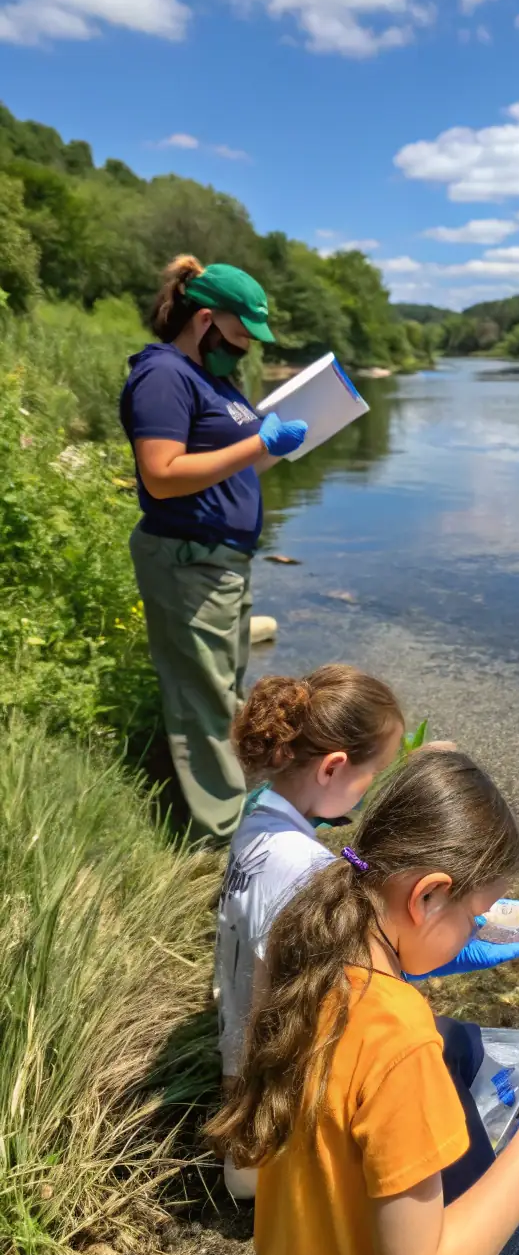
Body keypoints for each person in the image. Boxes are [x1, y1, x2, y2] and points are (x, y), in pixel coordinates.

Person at [208, 749, 519, 1255]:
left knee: (456, 1042)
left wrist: (420, 962)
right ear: (429, 895)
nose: (475, 930)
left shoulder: (301, 939)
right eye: (475, 917)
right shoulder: (400, 1039)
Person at [215, 665, 519, 1201]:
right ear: (333, 767)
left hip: (236, 1042)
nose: (369, 797)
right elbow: (326, 981)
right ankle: (257, 1167)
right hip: (267, 1080)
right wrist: (435, 954)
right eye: (375, 775)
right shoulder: (304, 876)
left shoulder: (258, 816)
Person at [120, 255, 309, 842]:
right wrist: (256, 442)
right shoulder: (164, 375)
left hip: (222, 564)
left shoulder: (217, 380)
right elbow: (162, 474)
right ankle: (223, 845)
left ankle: (236, 814)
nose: (245, 350)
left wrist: (275, 445)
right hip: (186, 561)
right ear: (204, 321)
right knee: (203, 707)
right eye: (238, 337)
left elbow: (229, 462)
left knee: (223, 694)